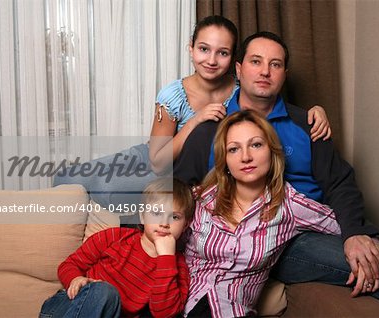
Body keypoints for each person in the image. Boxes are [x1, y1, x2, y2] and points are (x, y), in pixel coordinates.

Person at [174, 31, 379, 316]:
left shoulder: (309, 124)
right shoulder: (210, 128)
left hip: (299, 234)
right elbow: (177, 190)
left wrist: (356, 232)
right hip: (241, 240)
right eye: (256, 61)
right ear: (239, 70)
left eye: (275, 64)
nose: (265, 71)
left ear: (284, 74)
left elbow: (340, 183)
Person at [53, 15, 331, 210]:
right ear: (191, 49)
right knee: (72, 177)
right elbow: (157, 159)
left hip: (183, 167)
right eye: (203, 49)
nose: (211, 60)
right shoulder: (171, 96)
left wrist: (315, 110)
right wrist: (195, 119)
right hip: (158, 154)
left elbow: (266, 98)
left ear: (234, 62)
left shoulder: (240, 84)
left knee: (110, 192)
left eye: (222, 53)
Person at [183, 110, 341, 317]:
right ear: (226, 161)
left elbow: (343, 225)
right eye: (233, 149)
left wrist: (362, 238)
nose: (246, 157)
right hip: (178, 305)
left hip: (232, 311)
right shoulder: (200, 199)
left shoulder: (290, 205)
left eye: (256, 145)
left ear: (272, 151)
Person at [39, 178, 195, 318]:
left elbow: (164, 313)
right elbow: (69, 265)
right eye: (156, 213)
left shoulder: (178, 267)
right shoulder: (114, 237)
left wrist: (166, 259)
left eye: (174, 217)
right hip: (66, 307)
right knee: (105, 292)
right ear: (142, 216)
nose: (164, 223)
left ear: (185, 224)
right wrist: (75, 278)